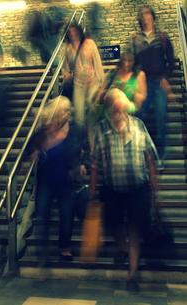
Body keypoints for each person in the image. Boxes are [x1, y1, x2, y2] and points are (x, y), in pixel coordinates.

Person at [89, 88, 158, 291]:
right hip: (112, 190)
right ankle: (121, 246)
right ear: (109, 110)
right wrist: (92, 192)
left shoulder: (139, 126)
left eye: (121, 108)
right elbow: (95, 164)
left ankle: (132, 274)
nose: (119, 112)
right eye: (114, 108)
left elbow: (150, 156)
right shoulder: (101, 130)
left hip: (138, 189)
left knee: (135, 230)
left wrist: (154, 185)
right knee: (116, 227)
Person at [19, 96, 88, 262]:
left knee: (67, 215)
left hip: (67, 179)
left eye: (67, 111)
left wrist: (83, 164)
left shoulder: (76, 129)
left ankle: (65, 247)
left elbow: (87, 148)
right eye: (62, 111)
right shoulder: (43, 131)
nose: (66, 114)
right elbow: (27, 150)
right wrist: (33, 154)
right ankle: (42, 253)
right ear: (55, 112)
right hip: (46, 181)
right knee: (42, 215)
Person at [129, 5, 175, 163]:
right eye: (142, 14)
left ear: (153, 17)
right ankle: (143, 154)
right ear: (140, 19)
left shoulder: (162, 37)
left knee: (160, 119)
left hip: (158, 83)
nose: (145, 17)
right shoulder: (136, 39)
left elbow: (171, 61)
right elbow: (132, 63)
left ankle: (160, 156)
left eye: (148, 14)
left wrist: (166, 78)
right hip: (143, 83)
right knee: (139, 116)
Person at [63, 23, 105, 130]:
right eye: (69, 32)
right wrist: (66, 74)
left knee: (93, 108)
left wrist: (102, 83)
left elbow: (97, 63)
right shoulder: (67, 48)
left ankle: (95, 132)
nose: (72, 34)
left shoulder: (90, 43)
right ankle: (81, 136)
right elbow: (65, 67)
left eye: (74, 31)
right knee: (78, 113)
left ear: (79, 31)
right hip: (78, 83)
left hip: (93, 81)